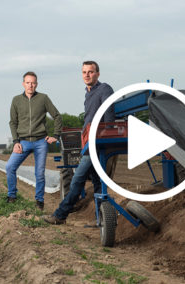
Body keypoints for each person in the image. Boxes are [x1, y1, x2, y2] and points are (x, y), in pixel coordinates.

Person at [43, 61, 115, 224]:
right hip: (88, 142)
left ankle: (60, 215)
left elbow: (109, 114)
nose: (87, 75)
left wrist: (106, 138)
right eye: (84, 72)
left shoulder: (104, 89)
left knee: (77, 180)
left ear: (97, 74)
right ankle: (101, 220)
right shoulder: (88, 93)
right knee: (97, 183)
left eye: (90, 72)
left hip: (97, 143)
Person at [6, 71, 62, 210]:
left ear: (36, 84)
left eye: (33, 83)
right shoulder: (16, 100)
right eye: (28, 82)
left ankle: (39, 202)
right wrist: (16, 142)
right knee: (10, 167)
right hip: (23, 142)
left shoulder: (43, 98)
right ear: (23, 84)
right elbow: (13, 122)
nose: (30, 85)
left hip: (40, 142)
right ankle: (12, 196)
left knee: (39, 173)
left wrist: (56, 135)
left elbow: (57, 116)